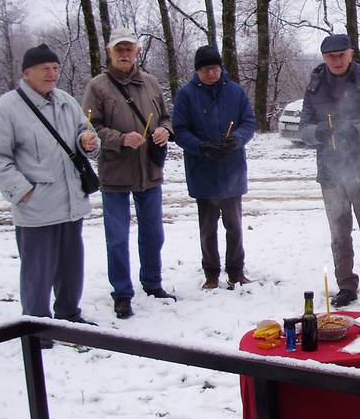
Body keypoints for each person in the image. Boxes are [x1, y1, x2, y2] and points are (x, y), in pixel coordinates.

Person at [0, 44, 101, 346]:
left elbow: (84, 133)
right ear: (27, 73)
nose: (52, 73)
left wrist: (88, 141)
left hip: (70, 200)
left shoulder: (65, 101)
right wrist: (22, 192)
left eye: (55, 68)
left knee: (71, 264)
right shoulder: (8, 107)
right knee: (38, 270)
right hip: (36, 206)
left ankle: (68, 315)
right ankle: (36, 326)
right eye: (45, 68)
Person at [82, 27, 175, 319]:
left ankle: (152, 283)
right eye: (118, 49)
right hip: (115, 173)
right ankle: (122, 293)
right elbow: (89, 129)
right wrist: (120, 139)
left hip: (149, 171)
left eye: (129, 49)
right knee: (118, 238)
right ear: (110, 52)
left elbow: (166, 118)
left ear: (137, 51)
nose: (124, 54)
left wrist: (164, 131)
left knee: (153, 234)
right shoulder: (97, 87)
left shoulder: (151, 83)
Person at [298, 34, 360, 308]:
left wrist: (358, 131)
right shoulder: (315, 86)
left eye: (341, 54)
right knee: (339, 233)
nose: (336, 60)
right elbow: (303, 126)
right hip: (330, 173)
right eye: (330, 56)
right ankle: (345, 285)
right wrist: (318, 132)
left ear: (351, 53)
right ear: (324, 57)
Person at [172, 45, 256, 290]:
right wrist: (202, 147)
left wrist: (237, 139)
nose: (212, 73)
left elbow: (249, 122)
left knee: (235, 226)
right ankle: (211, 272)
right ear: (198, 71)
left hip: (232, 170)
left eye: (215, 68)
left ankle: (236, 271)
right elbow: (180, 130)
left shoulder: (235, 92)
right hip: (203, 171)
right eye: (206, 69)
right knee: (207, 228)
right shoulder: (186, 95)